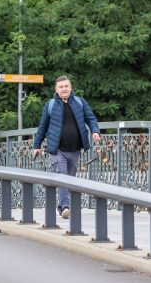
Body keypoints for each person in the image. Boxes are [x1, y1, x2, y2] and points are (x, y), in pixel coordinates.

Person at [32, 76, 101, 219]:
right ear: (56, 90)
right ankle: (65, 206)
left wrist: (95, 130)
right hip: (57, 149)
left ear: (70, 88)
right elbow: (43, 126)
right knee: (62, 176)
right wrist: (37, 145)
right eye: (61, 87)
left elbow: (90, 118)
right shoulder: (50, 105)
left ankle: (61, 205)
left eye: (66, 86)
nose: (64, 89)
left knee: (69, 179)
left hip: (75, 148)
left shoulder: (79, 102)